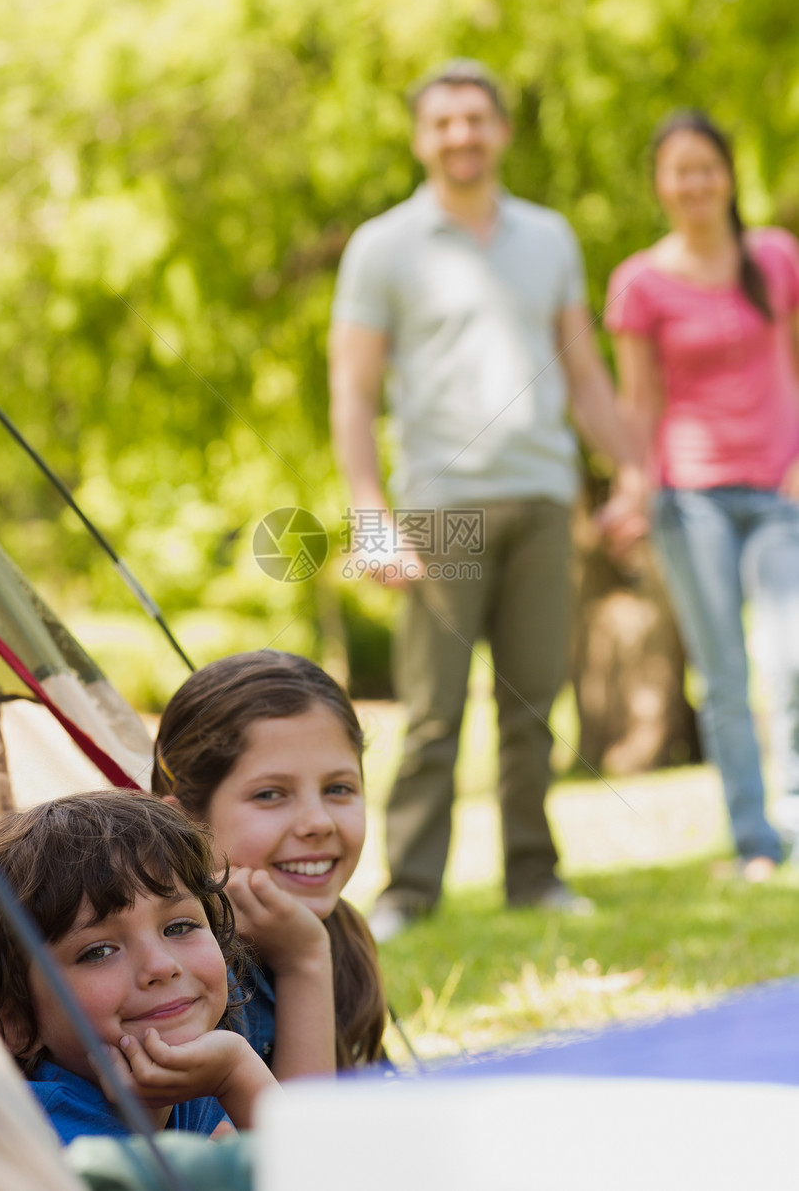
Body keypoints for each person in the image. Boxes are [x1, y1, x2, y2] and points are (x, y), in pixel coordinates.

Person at [328, 58, 641, 939]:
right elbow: (352, 390)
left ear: (501, 130)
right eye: (444, 122)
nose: (462, 134)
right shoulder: (383, 247)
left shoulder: (550, 237)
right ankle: (407, 893)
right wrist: (369, 513)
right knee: (432, 712)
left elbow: (583, 369)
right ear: (422, 137)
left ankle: (535, 877)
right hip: (438, 507)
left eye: (477, 118)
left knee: (536, 705)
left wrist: (630, 472)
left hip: (544, 496)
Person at [606, 109, 799, 880]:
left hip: (779, 487)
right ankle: (756, 841)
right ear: (661, 184)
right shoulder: (641, 282)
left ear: (728, 173)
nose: (694, 182)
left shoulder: (777, 258)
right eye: (678, 169)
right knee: (722, 674)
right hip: (692, 499)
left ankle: (793, 818)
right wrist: (631, 487)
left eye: (706, 166)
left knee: (789, 660)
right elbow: (637, 402)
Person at [0, 790, 276, 1144]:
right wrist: (238, 1076)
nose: (162, 967)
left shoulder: (202, 1071)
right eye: (98, 952)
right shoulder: (38, 1141)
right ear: (13, 1022)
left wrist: (235, 1069)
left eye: (178, 928)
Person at [152, 650, 387, 1075]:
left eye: (338, 788)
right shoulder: (175, 976)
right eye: (270, 794)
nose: (318, 822)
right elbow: (300, 1138)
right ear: (187, 822)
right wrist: (304, 963)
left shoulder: (343, 935)